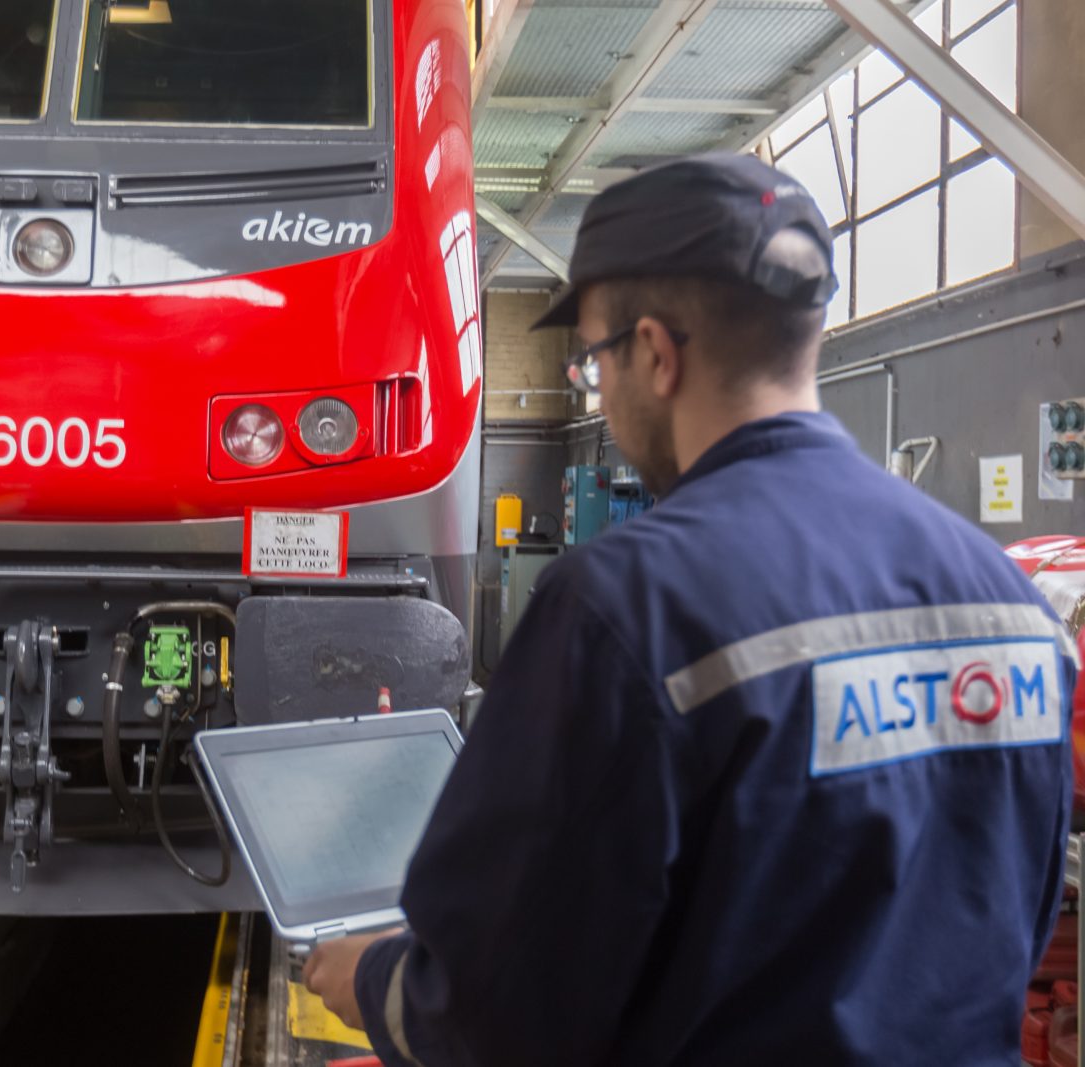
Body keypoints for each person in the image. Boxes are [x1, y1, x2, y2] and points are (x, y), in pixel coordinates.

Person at [302, 152, 1078, 1064]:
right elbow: (1022, 920)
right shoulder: (1012, 603)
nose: (602, 389)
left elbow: (499, 1002)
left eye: (595, 360)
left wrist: (371, 980)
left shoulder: (626, 607)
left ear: (657, 353)